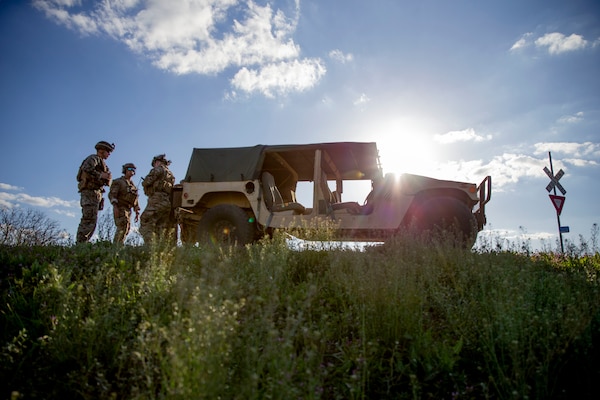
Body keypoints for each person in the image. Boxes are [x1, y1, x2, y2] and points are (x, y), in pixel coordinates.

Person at [76, 141, 115, 243]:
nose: (109, 154)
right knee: (88, 219)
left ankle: (83, 243)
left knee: (92, 220)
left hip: (95, 194)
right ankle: (80, 244)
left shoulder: (101, 162)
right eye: (108, 152)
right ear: (102, 151)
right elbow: (87, 168)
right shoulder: (94, 158)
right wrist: (101, 175)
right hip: (90, 192)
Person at [139, 154, 175, 243]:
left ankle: (149, 246)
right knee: (161, 226)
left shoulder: (158, 169)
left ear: (157, 162)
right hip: (167, 202)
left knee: (146, 220)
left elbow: (147, 182)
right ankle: (160, 248)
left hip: (157, 199)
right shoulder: (170, 174)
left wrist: (146, 184)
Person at [109, 163, 141, 244]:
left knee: (126, 229)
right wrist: (115, 207)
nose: (132, 172)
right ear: (125, 170)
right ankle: (116, 246)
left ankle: (119, 245)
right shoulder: (118, 182)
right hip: (120, 207)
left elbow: (135, 200)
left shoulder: (133, 186)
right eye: (130, 169)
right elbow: (112, 194)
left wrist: (137, 211)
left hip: (128, 209)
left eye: (133, 170)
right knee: (122, 225)